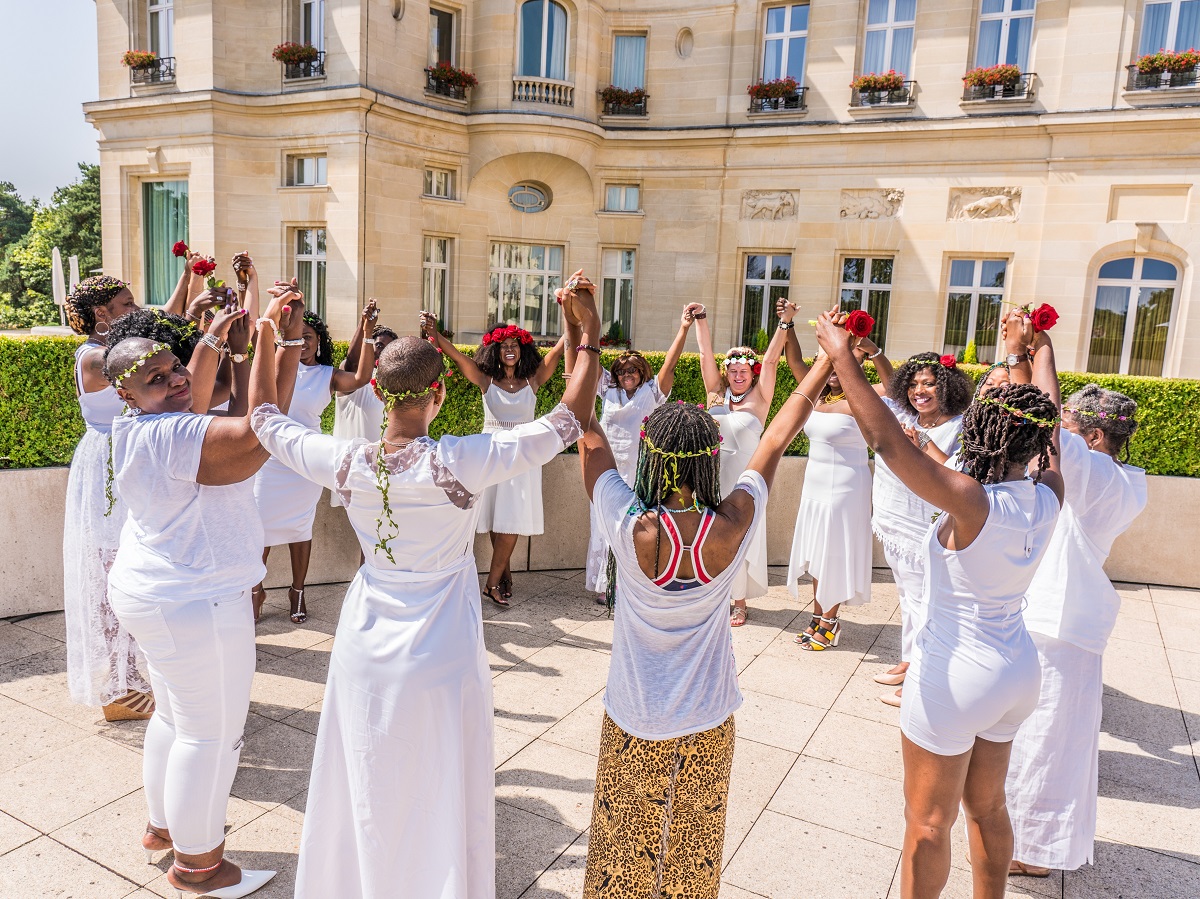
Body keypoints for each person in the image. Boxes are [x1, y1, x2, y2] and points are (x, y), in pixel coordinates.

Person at [249, 278, 606, 899]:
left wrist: (271, 333)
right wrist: (589, 332)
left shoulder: (344, 460)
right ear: (438, 392)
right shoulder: (463, 459)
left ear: (379, 389)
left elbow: (262, 418)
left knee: (367, 763)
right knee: (436, 770)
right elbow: (571, 418)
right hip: (441, 643)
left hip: (365, 637)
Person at [576, 309, 840, 898]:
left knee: (623, 853)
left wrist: (587, 332)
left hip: (634, 714)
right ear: (707, 458)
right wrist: (828, 356)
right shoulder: (734, 523)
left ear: (649, 456)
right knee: (694, 850)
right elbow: (776, 433)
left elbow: (586, 430)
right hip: (709, 715)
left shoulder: (630, 524)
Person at [813, 311, 1064, 899]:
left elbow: (886, 441)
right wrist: (1035, 351)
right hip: (1018, 672)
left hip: (957, 674)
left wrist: (842, 355)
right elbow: (1048, 431)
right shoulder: (1048, 493)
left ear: (983, 435)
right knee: (988, 808)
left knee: (928, 824)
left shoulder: (973, 502)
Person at [105, 284, 302, 898]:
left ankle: (163, 829)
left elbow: (260, 412)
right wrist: (265, 339)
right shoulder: (170, 435)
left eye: (174, 368)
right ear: (126, 392)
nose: (176, 381)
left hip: (158, 590)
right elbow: (259, 436)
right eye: (158, 378)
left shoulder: (145, 423)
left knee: (176, 716)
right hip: (194, 598)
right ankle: (199, 868)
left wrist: (282, 340)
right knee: (210, 734)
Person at [1005, 353, 1148, 876]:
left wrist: (1037, 351)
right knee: (1034, 737)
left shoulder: (1106, 476)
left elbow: (1045, 430)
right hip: (1051, 618)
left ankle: (1036, 851)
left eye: (1068, 425)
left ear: (1091, 439)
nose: (1057, 433)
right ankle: (1020, 840)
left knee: (1049, 741)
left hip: (1063, 626)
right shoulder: (1117, 477)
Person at [422, 310, 567, 606]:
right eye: (504, 345)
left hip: (523, 455)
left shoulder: (533, 381)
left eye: (515, 344)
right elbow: (459, 359)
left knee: (512, 520)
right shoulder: (486, 381)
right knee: (498, 517)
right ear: (495, 351)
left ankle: (491, 583)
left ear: (523, 349)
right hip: (492, 452)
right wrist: (434, 334)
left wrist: (573, 321)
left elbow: (558, 349)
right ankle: (504, 575)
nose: (510, 349)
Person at [62, 276, 154, 721]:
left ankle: (131, 672)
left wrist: (189, 284)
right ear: (102, 314)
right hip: (105, 467)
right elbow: (145, 353)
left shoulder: (115, 345)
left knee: (131, 564)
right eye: (126, 304)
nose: (135, 310)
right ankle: (120, 683)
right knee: (110, 570)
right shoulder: (95, 358)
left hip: (127, 458)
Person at [251, 303, 374, 623]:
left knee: (300, 527)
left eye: (310, 337)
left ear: (320, 341)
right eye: (299, 336)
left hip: (305, 460)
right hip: (269, 458)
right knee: (259, 528)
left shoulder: (326, 375)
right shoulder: (276, 369)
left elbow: (361, 378)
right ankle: (255, 590)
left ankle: (298, 591)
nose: (304, 342)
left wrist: (367, 329)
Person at [572, 304, 697, 605]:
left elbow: (670, 362)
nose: (627, 374)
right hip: (606, 470)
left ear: (642, 373)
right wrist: (577, 319)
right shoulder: (607, 391)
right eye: (622, 370)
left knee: (634, 527)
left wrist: (683, 328)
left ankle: (628, 582)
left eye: (633, 370)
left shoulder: (651, 394)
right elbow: (584, 358)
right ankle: (604, 583)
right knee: (602, 525)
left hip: (639, 472)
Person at [872, 352, 972, 703]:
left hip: (925, 527)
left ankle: (920, 677)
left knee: (924, 602)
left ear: (946, 386)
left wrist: (922, 444)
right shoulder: (904, 416)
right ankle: (907, 659)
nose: (920, 391)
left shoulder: (959, 425)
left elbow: (956, 475)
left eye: (928, 383)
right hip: (894, 520)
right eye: (913, 384)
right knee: (906, 596)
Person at [785, 332, 893, 650]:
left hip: (845, 489)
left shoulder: (864, 398)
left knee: (834, 554)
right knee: (819, 553)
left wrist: (874, 351)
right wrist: (789, 325)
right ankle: (819, 617)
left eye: (841, 362)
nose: (833, 370)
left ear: (855, 364)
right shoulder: (815, 395)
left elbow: (896, 387)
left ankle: (831, 623)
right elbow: (793, 360)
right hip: (814, 488)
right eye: (828, 362)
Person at [693, 301, 790, 626]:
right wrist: (701, 319)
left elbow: (773, 358)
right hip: (713, 479)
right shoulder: (716, 395)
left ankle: (739, 601)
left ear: (752, 373)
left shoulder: (760, 399)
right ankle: (712, 595)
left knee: (742, 536)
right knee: (711, 536)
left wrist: (785, 322)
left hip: (745, 482)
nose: (737, 376)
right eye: (732, 371)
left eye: (743, 371)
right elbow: (706, 355)